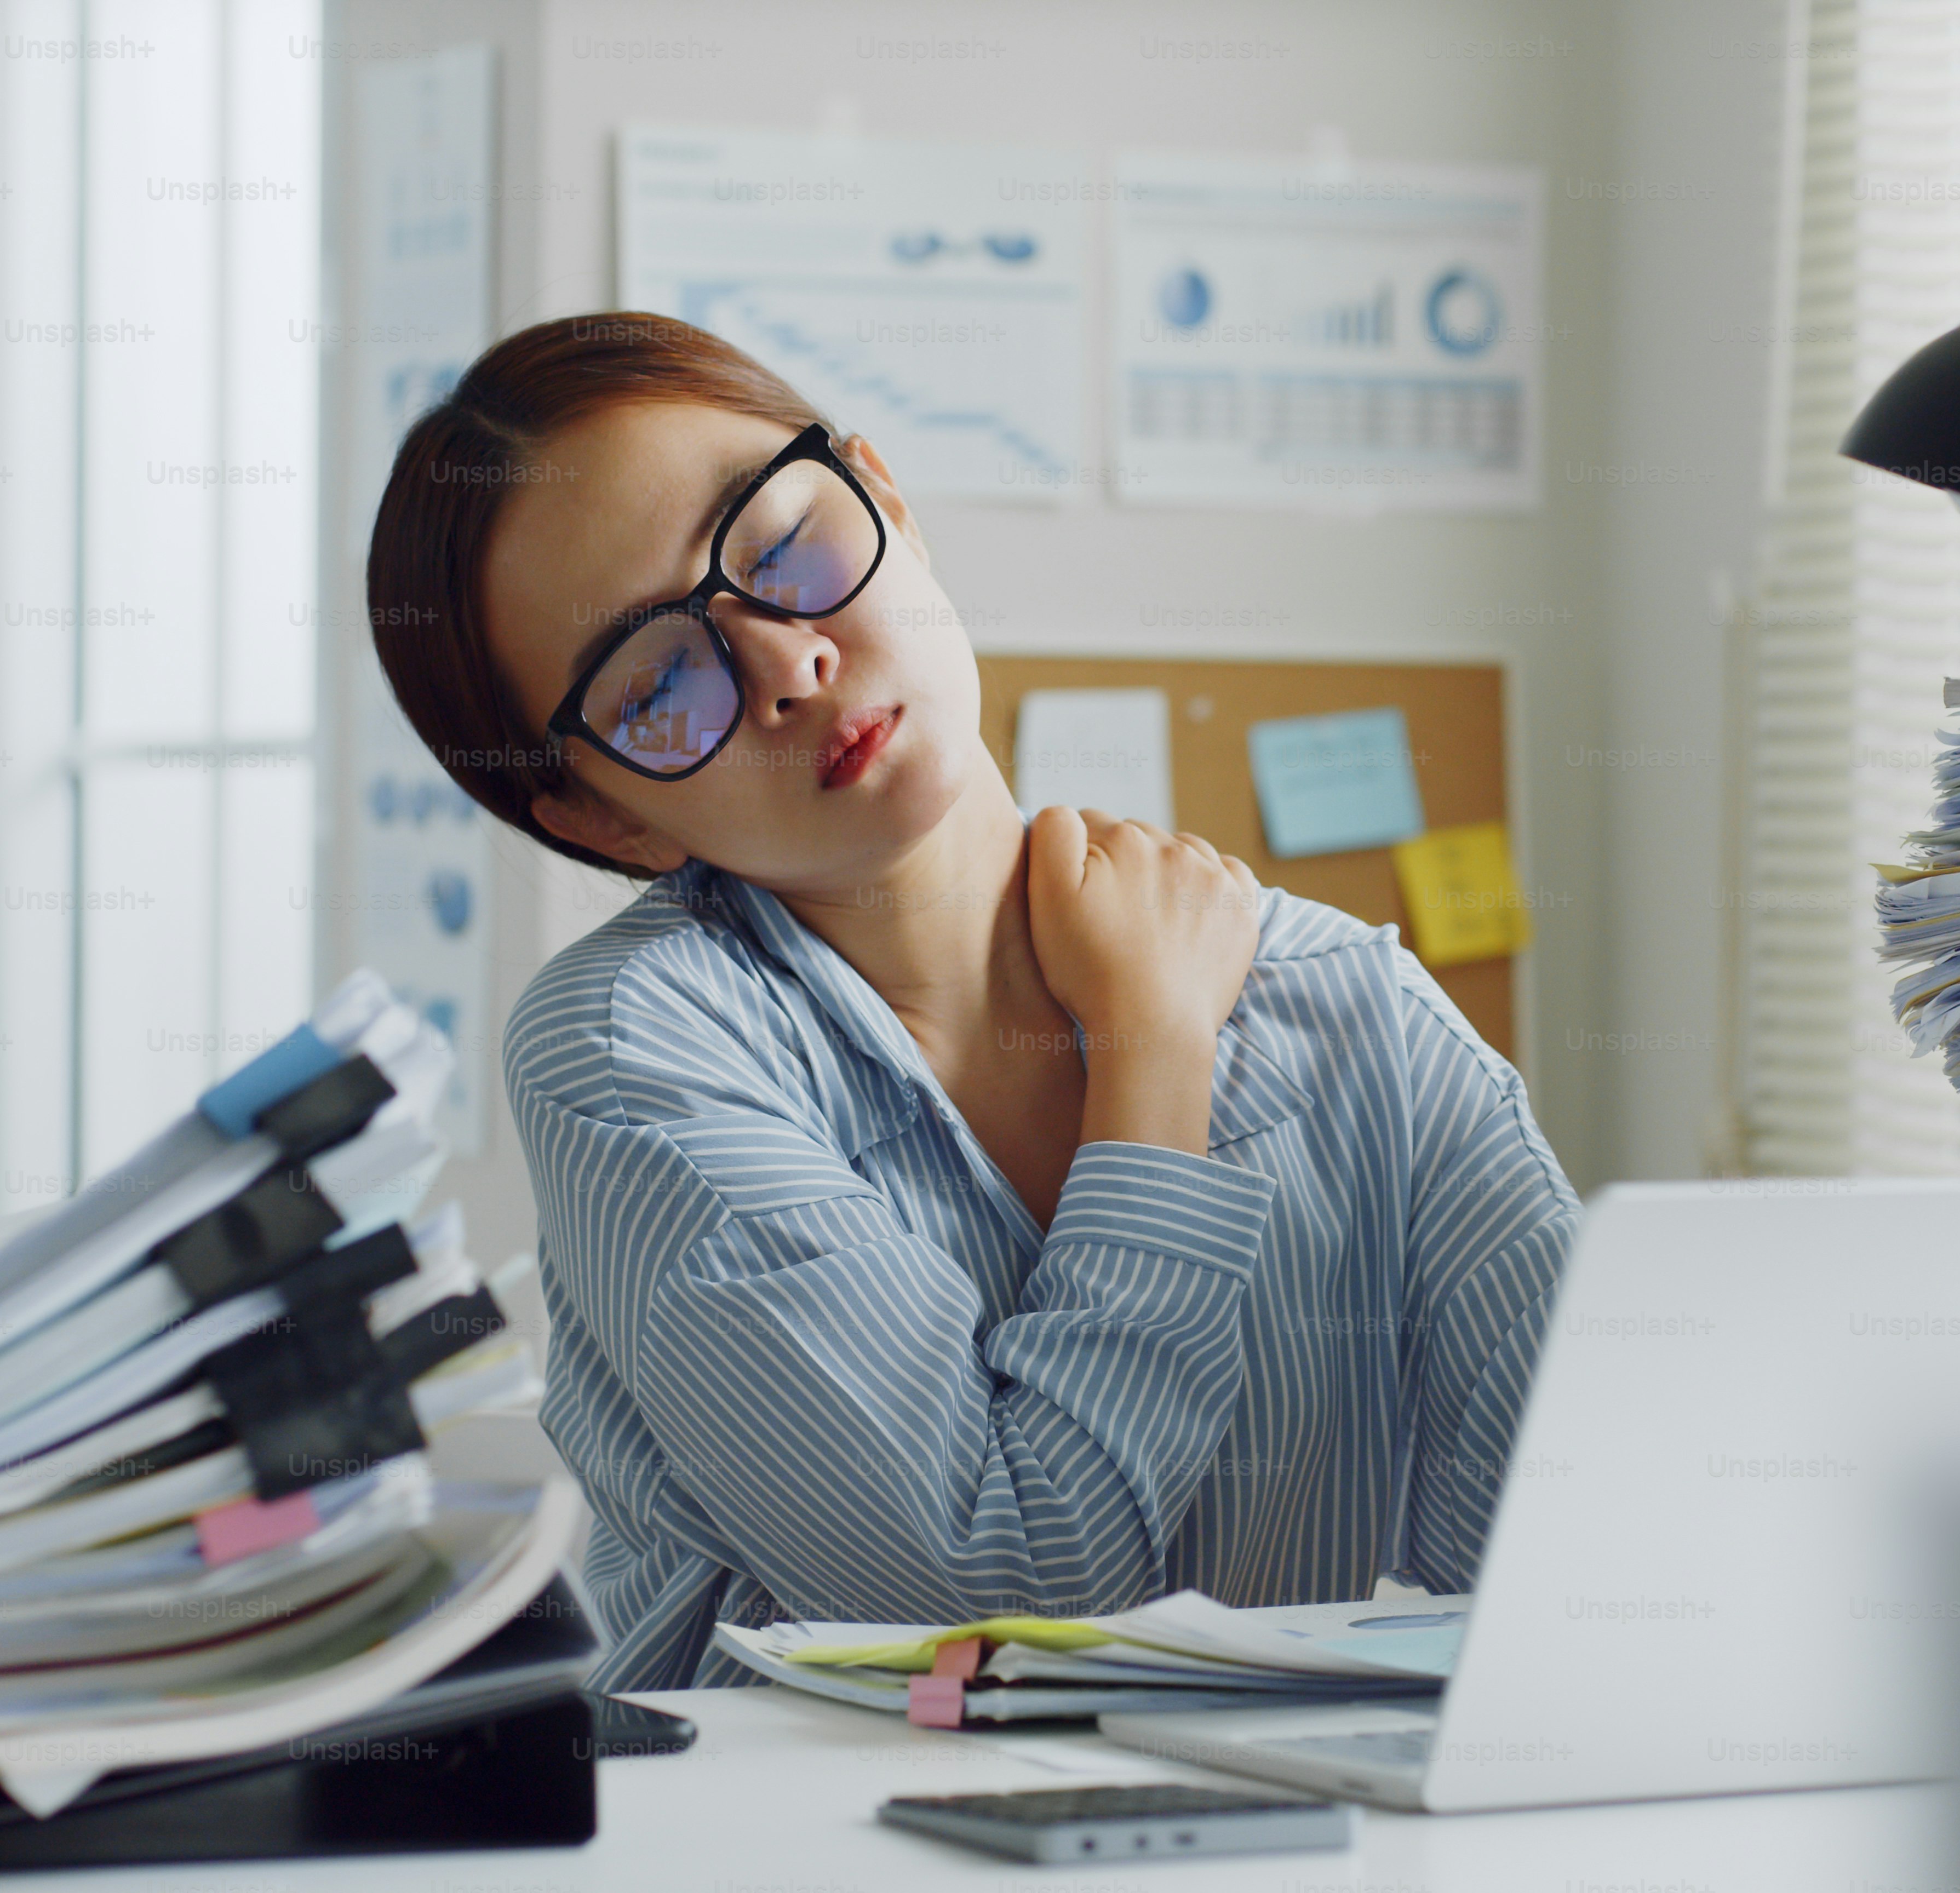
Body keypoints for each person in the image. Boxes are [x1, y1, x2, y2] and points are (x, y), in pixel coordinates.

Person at [364, 312, 1579, 1690]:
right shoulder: (633, 1048)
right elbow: (996, 1606)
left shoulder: (1352, 1009)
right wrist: (1155, 1064)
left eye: (779, 550)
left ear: (884, 495)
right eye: (654, 682)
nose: (786, 665)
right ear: (605, 819)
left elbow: (1578, 1551)